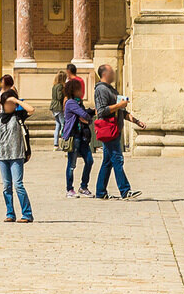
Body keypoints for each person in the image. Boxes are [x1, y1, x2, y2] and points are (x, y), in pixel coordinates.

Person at [93, 64, 147, 200]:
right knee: (117, 159)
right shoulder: (100, 90)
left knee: (108, 161)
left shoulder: (111, 89)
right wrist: (119, 105)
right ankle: (125, 190)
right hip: (108, 129)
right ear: (105, 74)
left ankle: (100, 192)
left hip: (115, 129)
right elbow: (101, 111)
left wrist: (136, 121)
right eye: (112, 72)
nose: (114, 74)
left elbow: (121, 111)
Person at [0, 90, 33, 223]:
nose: (10, 106)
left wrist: (16, 101)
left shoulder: (19, 115)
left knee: (18, 184)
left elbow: (31, 110)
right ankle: (10, 213)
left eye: (11, 103)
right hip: (3, 155)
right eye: (7, 103)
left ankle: (27, 214)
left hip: (16, 154)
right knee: (6, 186)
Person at [61, 77, 95, 196]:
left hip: (82, 137)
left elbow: (85, 115)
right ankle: (69, 189)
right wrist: (88, 119)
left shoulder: (79, 103)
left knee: (89, 161)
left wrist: (89, 116)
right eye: (80, 89)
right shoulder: (71, 103)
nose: (82, 91)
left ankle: (83, 186)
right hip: (73, 136)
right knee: (72, 164)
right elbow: (83, 115)